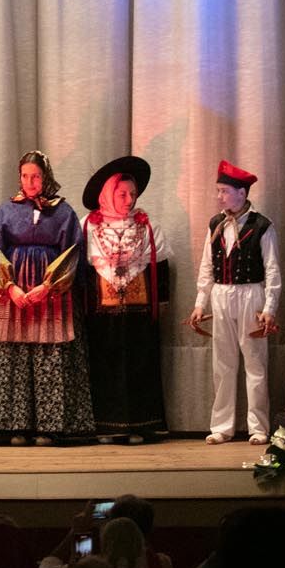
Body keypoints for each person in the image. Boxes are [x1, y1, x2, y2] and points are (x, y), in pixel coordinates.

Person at [0, 150, 92, 445]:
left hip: (51, 294)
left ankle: (49, 426)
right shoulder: (5, 211)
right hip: (13, 294)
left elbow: (73, 252)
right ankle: (17, 426)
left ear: (46, 177)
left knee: (49, 356)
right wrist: (10, 287)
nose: (30, 182)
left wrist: (48, 286)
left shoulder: (63, 212)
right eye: (25, 176)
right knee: (14, 355)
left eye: (36, 176)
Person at [190, 160, 282, 444]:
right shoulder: (216, 223)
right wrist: (200, 303)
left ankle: (258, 427)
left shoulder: (262, 226)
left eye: (224, 191)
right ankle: (222, 426)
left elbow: (272, 270)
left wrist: (269, 308)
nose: (219, 196)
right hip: (221, 294)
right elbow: (207, 266)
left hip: (250, 294)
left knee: (255, 362)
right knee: (223, 363)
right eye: (218, 191)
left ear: (241, 193)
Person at [81, 156, 170, 442]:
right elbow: (81, 269)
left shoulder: (145, 225)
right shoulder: (89, 227)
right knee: (104, 364)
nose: (129, 200)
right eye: (122, 194)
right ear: (107, 193)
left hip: (138, 312)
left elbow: (160, 265)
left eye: (132, 194)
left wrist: (162, 303)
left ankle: (140, 425)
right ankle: (107, 425)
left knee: (138, 365)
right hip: (101, 311)